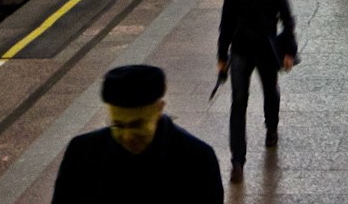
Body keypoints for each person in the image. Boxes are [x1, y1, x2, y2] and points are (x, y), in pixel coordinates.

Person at [50, 64, 222, 204]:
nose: (127, 136)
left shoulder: (197, 160)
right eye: (117, 125)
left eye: (137, 124)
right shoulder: (81, 153)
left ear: (159, 109)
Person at [215, 0, 299, 185]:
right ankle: (237, 161)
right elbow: (226, 25)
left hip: (266, 52)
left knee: (270, 92)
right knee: (238, 102)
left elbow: (287, 20)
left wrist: (289, 52)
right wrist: (222, 58)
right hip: (240, 53)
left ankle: (271, 127)